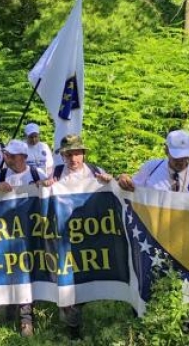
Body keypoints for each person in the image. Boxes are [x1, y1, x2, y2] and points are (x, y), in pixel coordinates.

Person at [42, 134, 112, 340]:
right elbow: (41, 197)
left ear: (84, 154)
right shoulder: (55, 173)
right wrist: (44, 187)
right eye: (69, 154)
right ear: (63, 155)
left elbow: (115, 195)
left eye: (77, 154)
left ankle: (75, 318)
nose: (74, 159)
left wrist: (111, 182)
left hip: (90, 236)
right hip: (63, 237)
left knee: (84, 279)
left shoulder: (96, 172)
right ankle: (73, 328)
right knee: (66, 279)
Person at [0, 140, 47, 337]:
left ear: (23, 157)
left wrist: (45, 186)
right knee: (9, 269)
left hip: (30, 236)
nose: (8, 159)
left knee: (27, 274)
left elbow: (52, 194)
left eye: (12, 156)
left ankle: (26, 318)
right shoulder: (2, 174)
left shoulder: (37, 174)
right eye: (7, 155)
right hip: (6, 235)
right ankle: (10, 309)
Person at [118, 129, 189, 221]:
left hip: (187, 238)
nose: (182, 162)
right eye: (177, 158)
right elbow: (130, 192)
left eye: (187, 157)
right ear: (166, 150)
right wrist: (122, 180)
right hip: (152, 235)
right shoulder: (151, 167)